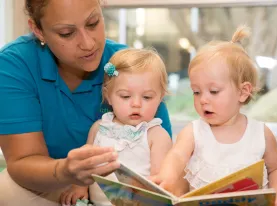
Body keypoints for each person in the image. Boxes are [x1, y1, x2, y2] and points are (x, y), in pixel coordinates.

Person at [0, 0, 172, 205]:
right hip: (52, 182)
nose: (88, 43)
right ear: (38, 30)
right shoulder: (15, 66)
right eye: (66, 33)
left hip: (130, 193)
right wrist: (66, 172)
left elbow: (164, 167)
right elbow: (23, 161)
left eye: (93, 23)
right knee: (7, 190)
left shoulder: (129, 68)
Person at [151, 26, 277, 206]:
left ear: (243, 92)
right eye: (196, 92)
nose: (203, 100)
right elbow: (177, 156)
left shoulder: (260, 133)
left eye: (213, 91)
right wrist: (166, 176)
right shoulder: (194, 131)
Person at [59, 48, 172, 206]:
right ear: (108, 96)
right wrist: (80, 187)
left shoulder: (156, 135)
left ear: (160, 98)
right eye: (125, 96)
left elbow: (160, 184)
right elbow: (85, 166)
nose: (136, 104)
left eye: (147, 97)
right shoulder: (99, 128)